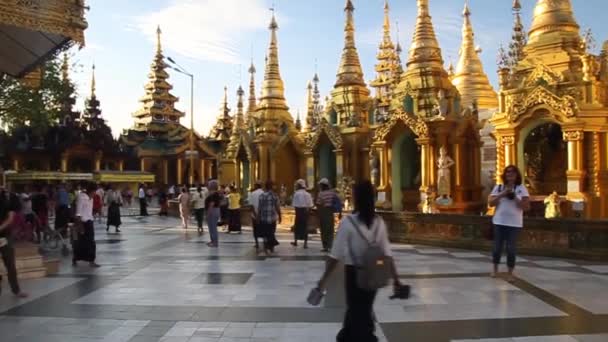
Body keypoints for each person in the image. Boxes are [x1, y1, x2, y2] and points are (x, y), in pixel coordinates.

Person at [316, 180, 401, 342]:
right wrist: (396, 280)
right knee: (363, 308)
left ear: (358, 198)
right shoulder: (379, 222)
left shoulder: (348, 223)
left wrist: (323, 280)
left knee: (356, 309)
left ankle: (360, 337)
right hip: (375, 271)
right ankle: (350, 335)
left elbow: (335, 255)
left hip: (354, 273)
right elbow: (387, 254)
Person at [488, 165, 530, 281]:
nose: (510, 175)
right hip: (499, 221)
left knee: (511, 248)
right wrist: (503, 194)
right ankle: (495, 269)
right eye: (507, 173)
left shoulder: (522, 188)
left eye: (512, 173)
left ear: (517, 175)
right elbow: (490, 203)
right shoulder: (499, 187)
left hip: (514, 223)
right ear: (504, 175)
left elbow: (526, 207)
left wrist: (515, 196)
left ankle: (510, 272)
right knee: (497, 247)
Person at [0, 192, 28, 298]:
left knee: (10, 264)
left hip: (5, 236)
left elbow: (10, 218)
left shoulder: (8, 197)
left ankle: (16, 290)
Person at [72, 183, 100, 268]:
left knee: (91, 242)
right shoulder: (82, 197)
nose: (95, 194)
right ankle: (75, 258)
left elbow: (89, 211)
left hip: (90, 221)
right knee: (81, 242)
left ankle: (91, 260)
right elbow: (78, 212)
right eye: (94, 191)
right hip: (83, 223)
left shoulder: (91, 198)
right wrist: (80, 226)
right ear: (91, 191)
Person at [256, 180, 281, 255]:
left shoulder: (261, 196)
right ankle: (271, 248)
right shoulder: (275, 195)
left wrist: (258, 217)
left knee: (265, 234)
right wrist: (280, 216)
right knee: (272, 232)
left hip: (263, 218)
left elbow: (259, 208)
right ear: (271, 186)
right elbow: (277, 207)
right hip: (272, 218)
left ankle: (265, 248)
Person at [316, 178, 338, 252]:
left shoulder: (321, 193)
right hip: (330, 211)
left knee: (324, 229)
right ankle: (330, 245)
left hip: (323, 211)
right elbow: (337, 200)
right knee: (330, 229)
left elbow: (318, 204)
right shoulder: (332, 193)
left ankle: (325, 246)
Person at [291, 179, 313, 248]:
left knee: (297, 226)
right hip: (305, 212)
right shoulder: (308, 194)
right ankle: (305, 243)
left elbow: (294, 205)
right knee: (305, 227)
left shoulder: (296, 194)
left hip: (298, 211)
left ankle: (295, 241)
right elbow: (310, 205)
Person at [205, 180, 221, 247]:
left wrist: (208, 213)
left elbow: (212, 204)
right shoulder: (213, 194)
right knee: (211, 227)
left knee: (213, 227)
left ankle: (215, 243)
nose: (207, 186)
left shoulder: (214, 194)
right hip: (214, 210)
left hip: (213, 211)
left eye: (208, 185)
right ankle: (212, 241)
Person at [248, 181, 264, 249]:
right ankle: (264, 242)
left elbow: (251, 206)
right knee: (264, 229)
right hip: (263, 215)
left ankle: (257, 243)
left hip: (255, 215)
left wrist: (256, 215)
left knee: (255, 230)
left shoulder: (252, 193)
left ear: (256, 186)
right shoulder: (264, 193)